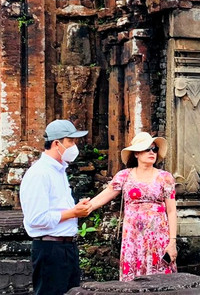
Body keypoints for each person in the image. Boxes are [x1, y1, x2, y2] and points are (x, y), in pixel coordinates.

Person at [21, 119, 98, 295]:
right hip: (50, 248)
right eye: (70, 141)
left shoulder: (59, 171)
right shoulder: (39, 174)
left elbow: (56, 208)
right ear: (57, 143)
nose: (74, 146)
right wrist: (73, 213)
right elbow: (36, 219)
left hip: (66, 246)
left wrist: (76, 209)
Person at [89, 132, 178, 281]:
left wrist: (172, 241)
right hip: (133, 237)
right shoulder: (125, 176)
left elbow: (171, 210)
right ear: (136, 153)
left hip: (158, 236)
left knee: (162, 279)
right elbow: (108, 193)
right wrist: (87, 207)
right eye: (147, 149)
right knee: (133, 280)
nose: (151, 152)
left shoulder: (165, 177)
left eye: (154, 149)